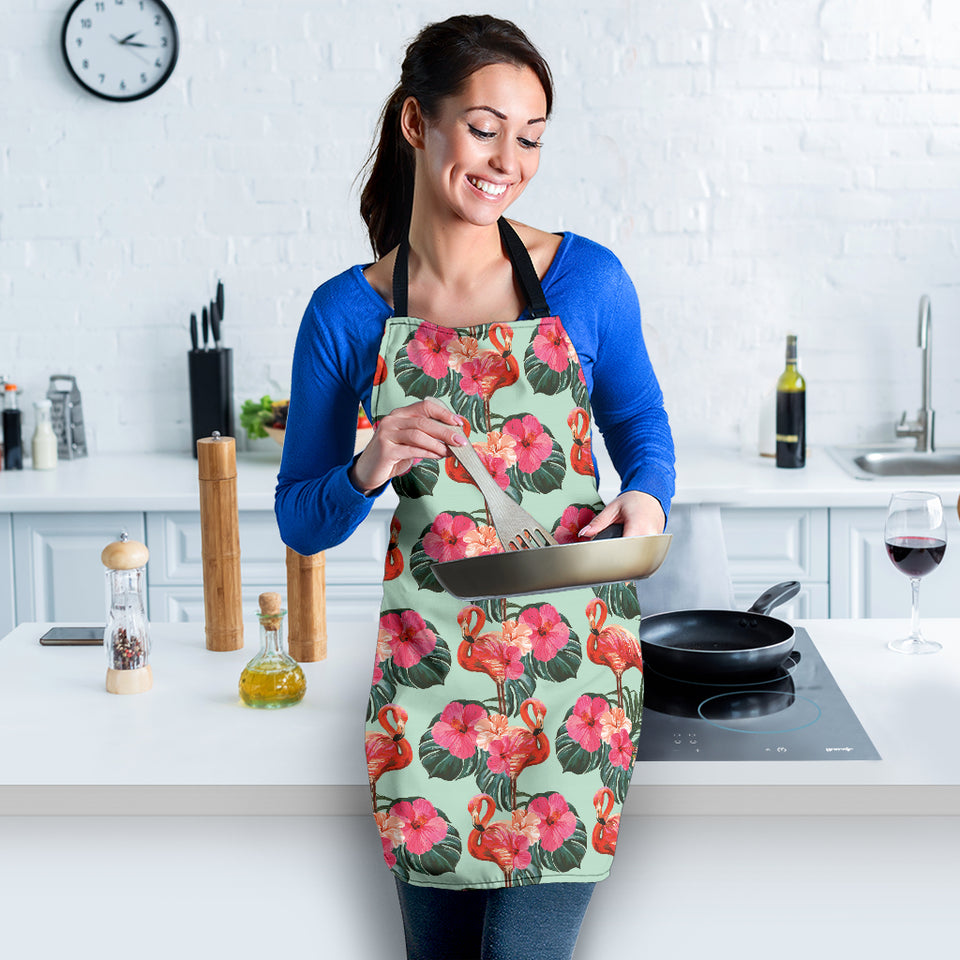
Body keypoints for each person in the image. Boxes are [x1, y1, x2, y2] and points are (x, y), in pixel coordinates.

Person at [275, 14, 675, 960]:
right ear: (419, 123)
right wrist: (368, 464)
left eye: (530, 138)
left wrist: (648, 499)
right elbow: (302, 519)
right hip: (430, 690)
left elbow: (642, 428)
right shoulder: (345, 314)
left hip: (576, 677)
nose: (508, 162)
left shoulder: (588, 280)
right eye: (485, 128)